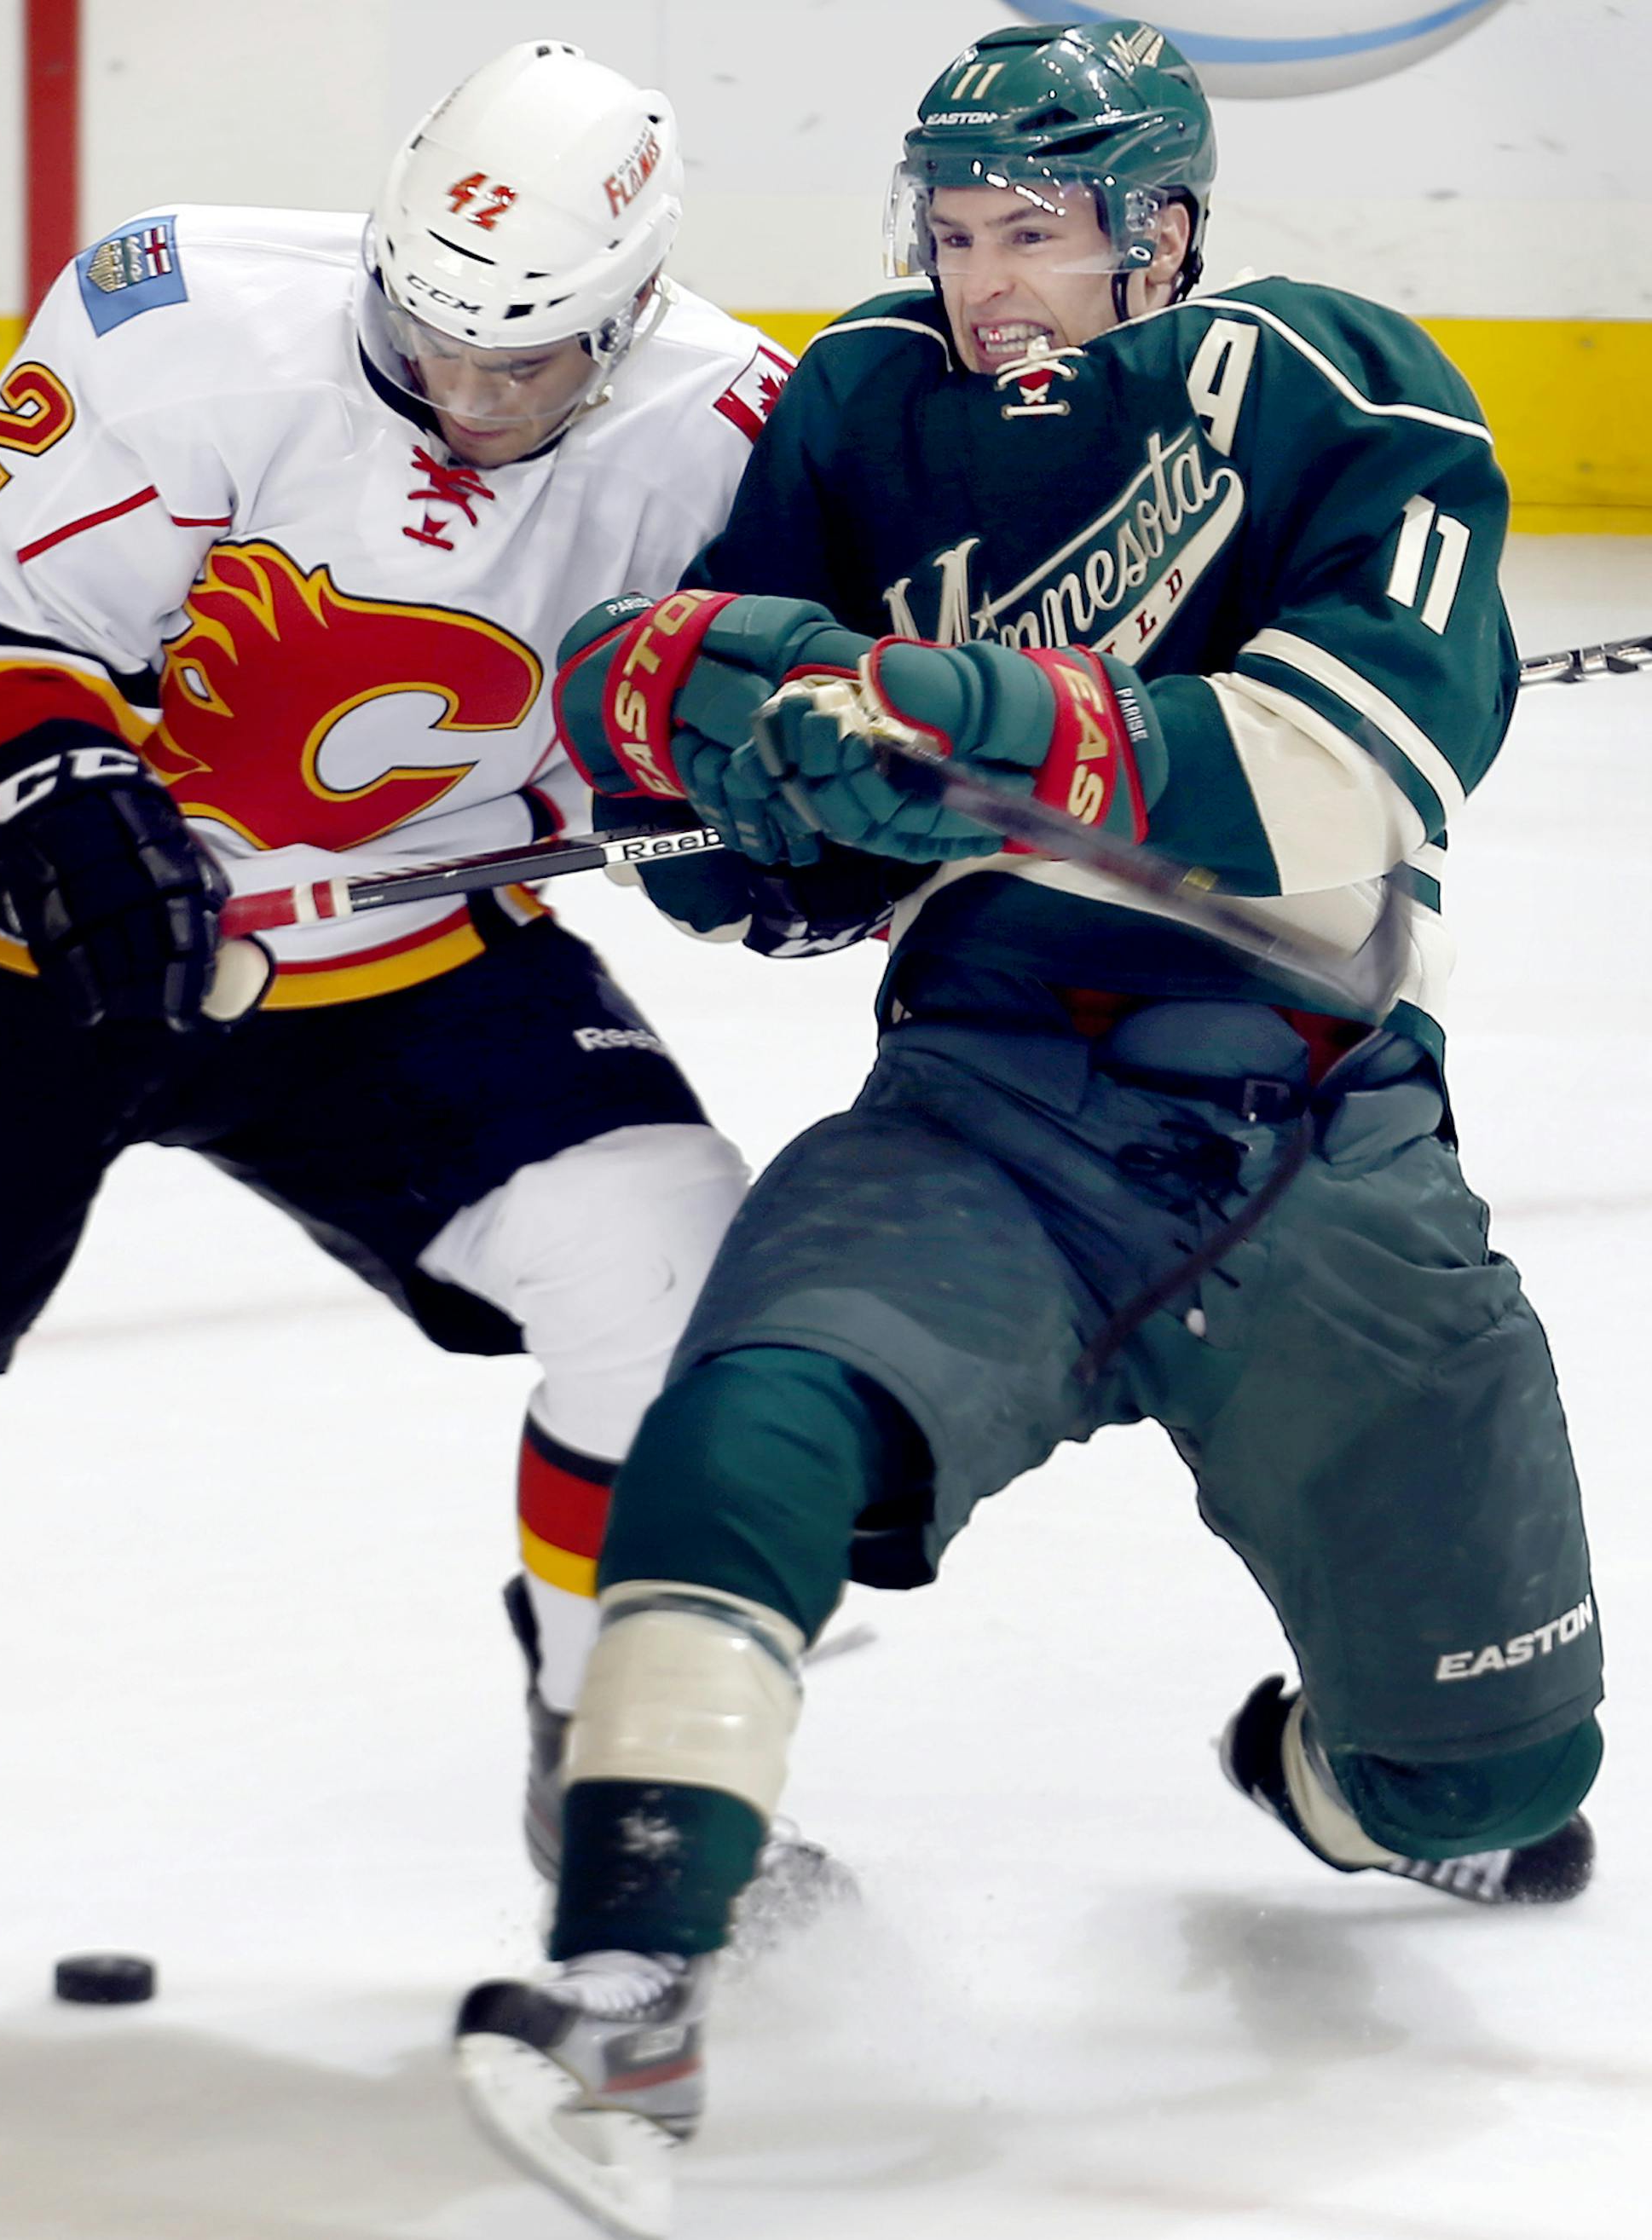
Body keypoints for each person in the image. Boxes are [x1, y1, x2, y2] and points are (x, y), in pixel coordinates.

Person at [452, 20, 1604, 2234]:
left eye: (1039, 236)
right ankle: (627, 1978)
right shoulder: (872, 407)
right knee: (759, 1398)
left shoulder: (1342, 387)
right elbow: (729, 831)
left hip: (1312, 1130)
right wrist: (700, 738)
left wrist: (981, 710)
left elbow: (1351, 775)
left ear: (1160, 229)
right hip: (986, 1102)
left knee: (1498, 1788)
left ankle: (1334, 1771)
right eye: (960, 232)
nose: (990, 282)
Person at [0, 40, 832, 1903]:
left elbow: (739, 753)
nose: (458, 390)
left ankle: (608, 1751)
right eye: (425, 333)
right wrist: (67, 804)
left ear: (628, 318)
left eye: (520, 360)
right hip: (29, 937)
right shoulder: (180, 313)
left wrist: (784, 827)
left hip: (411, 958)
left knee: (675, 1263)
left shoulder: (740, 436)